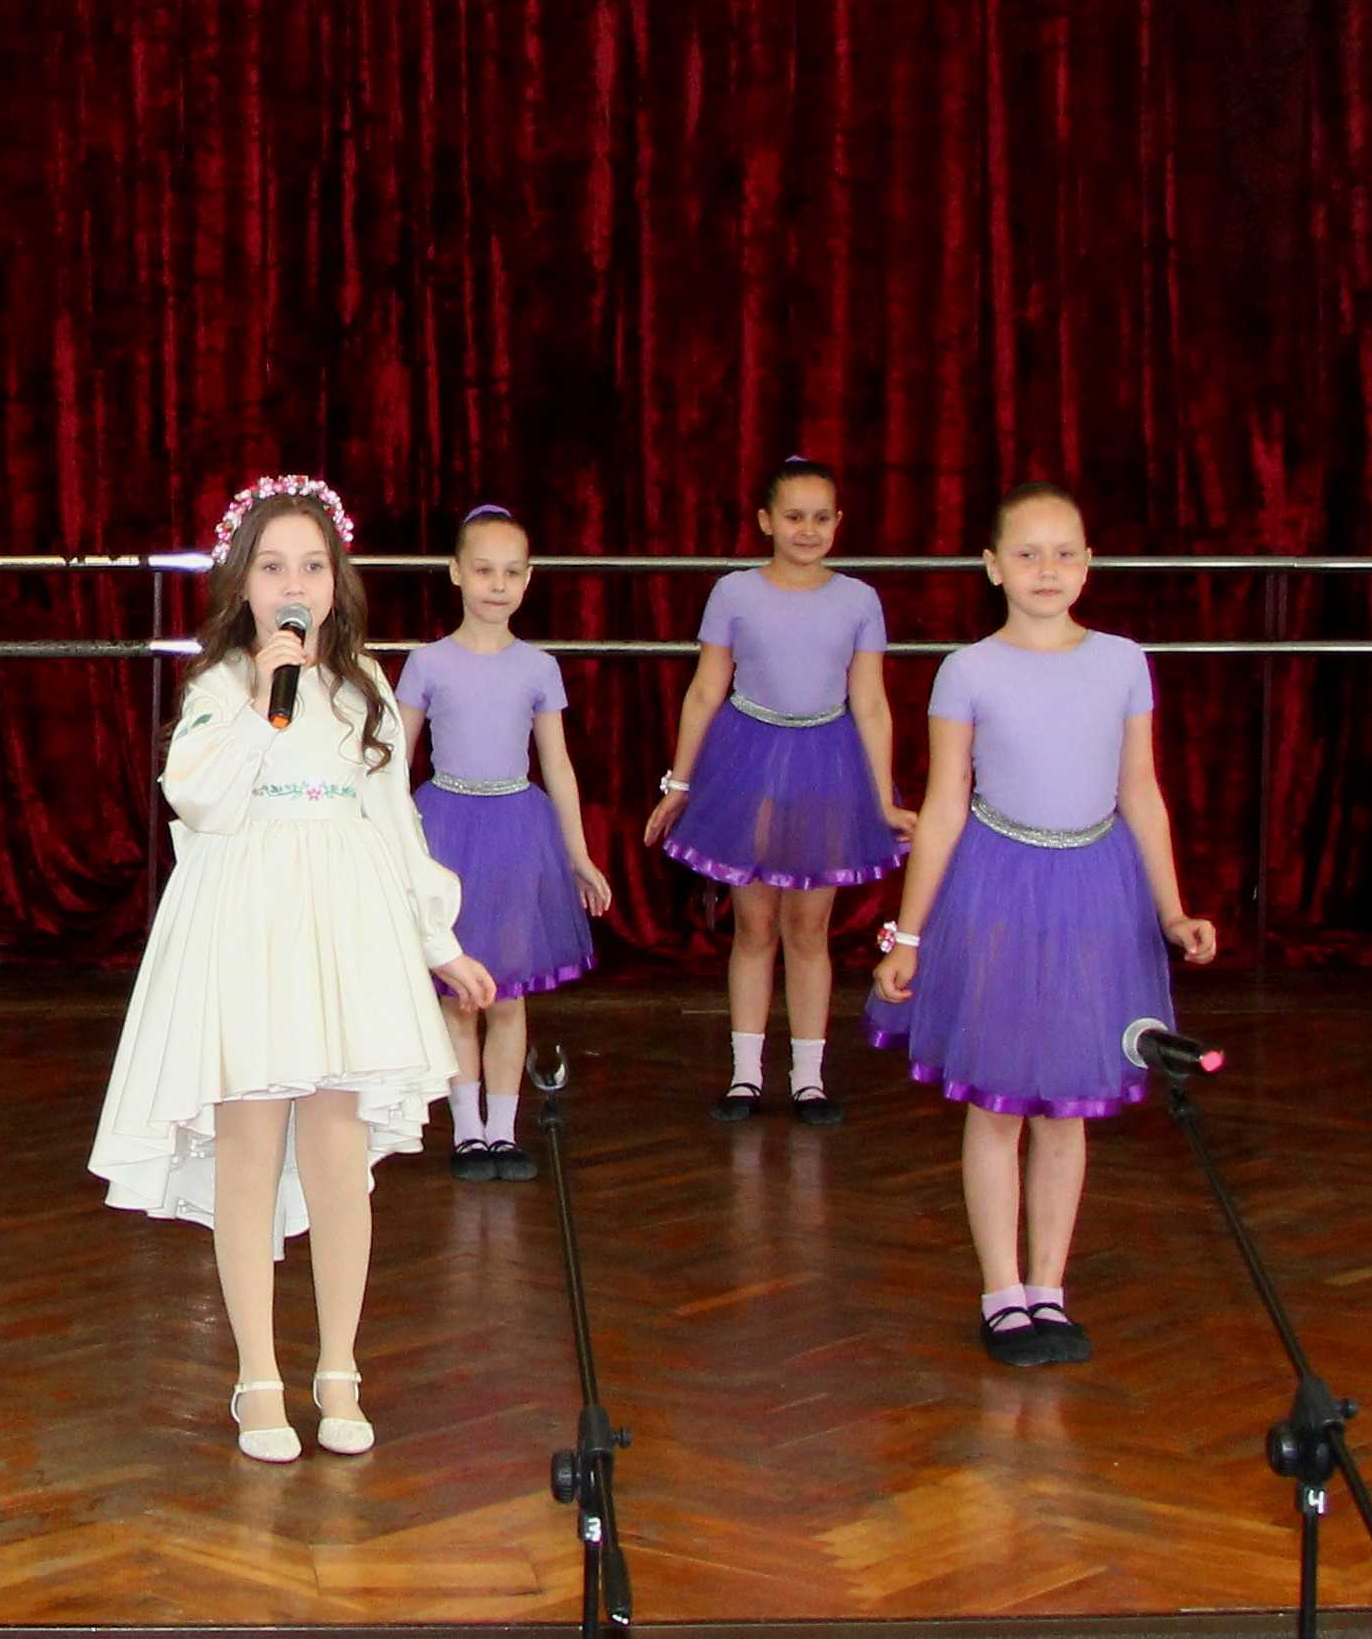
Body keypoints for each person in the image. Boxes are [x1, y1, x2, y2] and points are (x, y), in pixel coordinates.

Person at [90, 477, 495, 1461]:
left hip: (340, 930)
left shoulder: (365, 689)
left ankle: (340, 1366)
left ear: (335, 580)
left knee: (336, 1149)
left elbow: (393, 821)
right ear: (243, 584)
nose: (293, 583)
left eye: (311, 565)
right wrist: (258, 703)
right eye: (272, 566)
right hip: (245, 928)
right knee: (249, 1143)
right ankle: (258, 1375)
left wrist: (438, 940)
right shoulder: (219, 688)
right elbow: (199, 801)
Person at [867, 485, 1219, 1367]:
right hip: (996, 889)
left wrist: (1172, 908)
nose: (1047, 569)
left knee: (1065, 1107)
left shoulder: (1123, 661)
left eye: (1065, 552)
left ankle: (1050, 1286)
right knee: (996, 1101)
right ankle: (1001, 1291)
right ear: (992, 567)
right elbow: (944, 807)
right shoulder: (968, 670)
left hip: (1096, 889)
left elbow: (1141, 791)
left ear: (1089, 563)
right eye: (1027, 553)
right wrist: (909, 935)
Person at [639, 457, 910, 1123]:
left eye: (820, 518)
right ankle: (745, 1075)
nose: (807, 529)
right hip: (747, 763)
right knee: (755, 925)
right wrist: (681, 781)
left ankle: (809, 1079)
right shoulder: (734, 593)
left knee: (809, 929)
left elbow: (871, 703)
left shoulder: (858, 599)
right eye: (793, 516)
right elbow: (706, 690)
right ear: (765, 521)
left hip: (828, 764)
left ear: (838, 522)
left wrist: (881, 798)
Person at [396, 505, 612, 1178]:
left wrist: (577, 854)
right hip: (446, 831)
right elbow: (394, 762)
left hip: (518, 834)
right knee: (459, 991)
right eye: (484, 569)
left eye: (511, 572)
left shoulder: (538, 667)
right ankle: (467, 1131)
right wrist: (390, 847)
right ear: (456, 572)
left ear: (528, 578)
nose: (497, 584)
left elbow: (558, 764)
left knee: (509, 992)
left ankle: (503, 1129)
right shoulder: (428, 662)